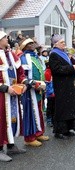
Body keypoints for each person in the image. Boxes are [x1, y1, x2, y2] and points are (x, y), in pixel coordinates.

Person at [0, 31, 27, 162]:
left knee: (12, 119)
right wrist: (5, 88)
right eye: (5, 37)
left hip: (13, 94)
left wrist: (24, 83)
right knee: (1, 121)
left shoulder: (10, 54)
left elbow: (20, 71)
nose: (7, 39)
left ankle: (10, 145)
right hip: (1, 96)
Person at [49, 34, 75, 139]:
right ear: (56, 44)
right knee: (62, 107)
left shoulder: (63, 53)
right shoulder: (53, 54)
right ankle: (59, 131)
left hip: (69, 84)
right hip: (61, 85)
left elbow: (66, 66)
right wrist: (72, 68)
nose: (64, 44)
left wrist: (73, 65)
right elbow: (56, 69)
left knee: (69, 107)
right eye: (62, 42)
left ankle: (67, 129)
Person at [20, 38, 49, 147]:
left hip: (38, 89)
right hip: (29, 90)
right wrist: (33, 84)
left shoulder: (35, 56)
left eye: (33, 43)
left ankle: (38, 132)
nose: (33, 45)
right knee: (30, 113)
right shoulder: (24, 57)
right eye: (30, 43)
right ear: (24, 46)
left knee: (39, 111)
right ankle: (29, 138)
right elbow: (23, 75)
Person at [44, 60, 55, 127]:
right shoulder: (47, 72)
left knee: (53, 106)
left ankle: (52, 119)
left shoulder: (51, 72)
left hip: (54, 92)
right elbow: (48, 84)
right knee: (50, 107)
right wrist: (51, 92)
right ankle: (49, 119)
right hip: (50, 93)